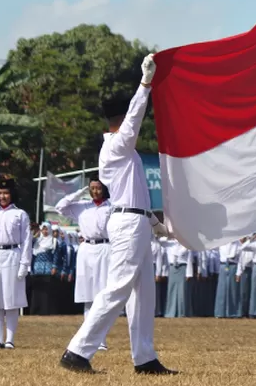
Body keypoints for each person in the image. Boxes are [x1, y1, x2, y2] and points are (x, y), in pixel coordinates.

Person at [60, 54, 176, 375]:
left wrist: (156, 225)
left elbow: (135, 197)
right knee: (118, 288)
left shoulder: (125, 151)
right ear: (121, 117)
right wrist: (145, 84)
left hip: (136, 219)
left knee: (143, 293)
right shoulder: (116, 146)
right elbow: (135, 119)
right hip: (126, 222)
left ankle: (145, 357)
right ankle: (78, 351)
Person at [55, 176, 112, 350]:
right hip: (86, 250)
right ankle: (88, 338)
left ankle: (100, 339)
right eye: (92, 188)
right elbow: (60, 207)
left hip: (105, 248)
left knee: (101, 295)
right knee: (87, 296)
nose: (95, 192)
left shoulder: (112, 207)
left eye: (98, 188)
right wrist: (78, 193)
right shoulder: (82, 207)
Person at [0, 178, 32, 349]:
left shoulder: (20, 214)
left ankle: (10, 340)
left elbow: (27, 241)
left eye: (5, 193)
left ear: (12, 194)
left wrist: (25, 264)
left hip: (13, 255)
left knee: (11, 299)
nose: (2, 196)